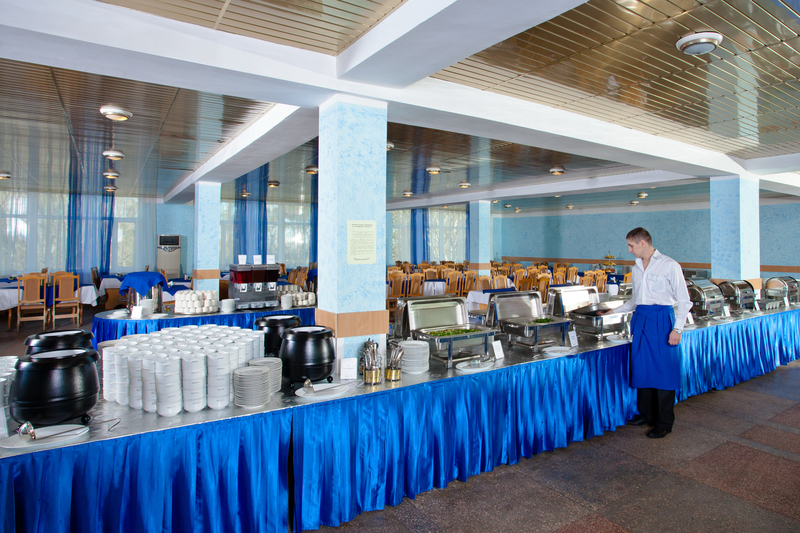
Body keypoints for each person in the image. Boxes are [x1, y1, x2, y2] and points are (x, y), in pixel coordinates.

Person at [601, 227, 692, 438]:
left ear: (643, 243)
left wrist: (677, 329)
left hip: (661, 320)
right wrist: (612, 311)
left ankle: (664, 422)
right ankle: (646, 414)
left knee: (663, 372)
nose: (629, 250)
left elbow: (684, 300)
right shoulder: (636, 268)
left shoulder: (669, 265)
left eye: (631, 245)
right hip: (641, 319)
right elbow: (636, 300)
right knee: (642, 368)